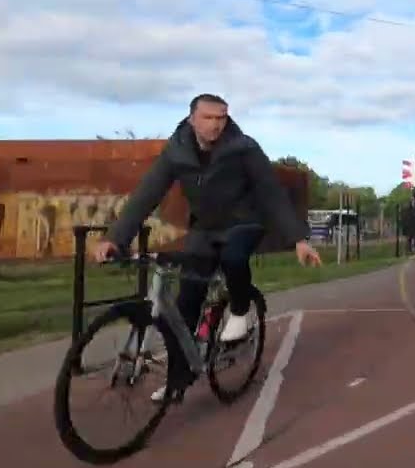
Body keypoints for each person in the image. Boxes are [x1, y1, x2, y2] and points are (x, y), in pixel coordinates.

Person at [92, 93, 322, 399]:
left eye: (221, 118)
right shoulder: (177, 151)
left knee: (233, 256)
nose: (216, 125)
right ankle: (178, 380)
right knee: (186, 301)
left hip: (245, 222)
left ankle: (240, 309)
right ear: (192, 119)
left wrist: (298, 239)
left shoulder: (244, 148)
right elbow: (147, 194)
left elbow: (271, 194)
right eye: (208, 118)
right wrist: (114, 238)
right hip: (204, 229)